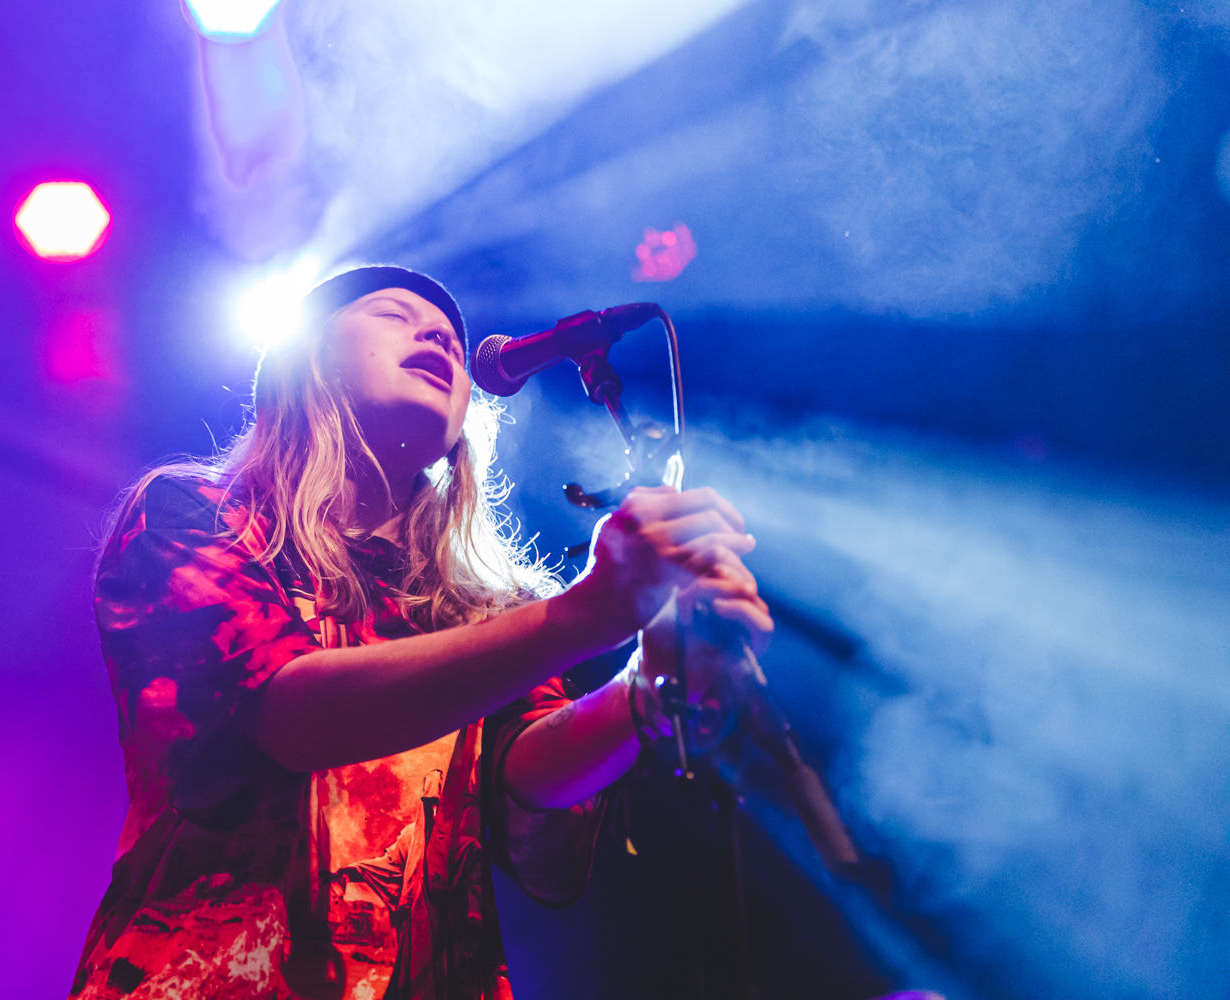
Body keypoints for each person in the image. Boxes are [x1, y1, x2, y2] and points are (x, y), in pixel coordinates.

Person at [67, 266, 772, 999]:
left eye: (452, 339)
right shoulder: (191, 515)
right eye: (393, 313)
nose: (438, 331)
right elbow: (292, 717)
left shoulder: (491, 611)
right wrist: (584, 614)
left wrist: (650, 688)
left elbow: (531, 774)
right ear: (306, 362)